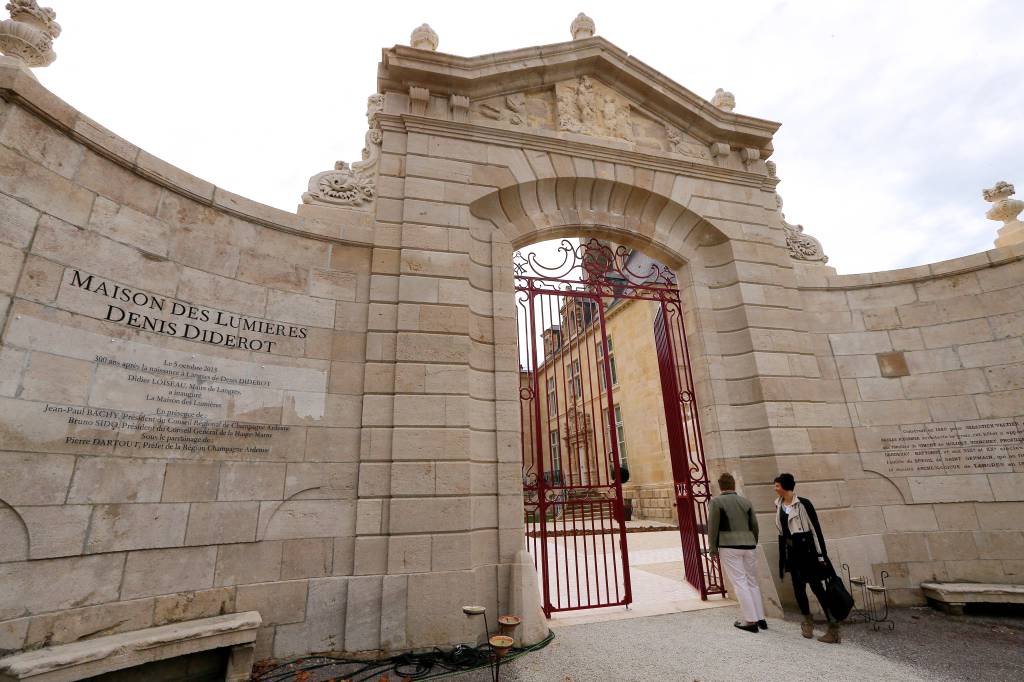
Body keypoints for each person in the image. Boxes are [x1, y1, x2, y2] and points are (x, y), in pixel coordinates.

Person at [773, 472, 840, 644]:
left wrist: (820, 555)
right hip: (792, 552)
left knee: (817, 587)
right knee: (798, 588)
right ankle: (807, 621)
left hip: (807, 551)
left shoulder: (803, 504)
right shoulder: (779, 505)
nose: (775, 488)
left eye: (777, 485)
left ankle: (833, 626)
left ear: (785, 487)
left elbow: (815, 531)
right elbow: (782, 532)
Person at [708, 472, 766, 633]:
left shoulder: (716, 502)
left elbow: (713, 527)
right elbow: (754, 525)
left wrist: (712, 548)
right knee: (752, 581)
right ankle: (761, 618)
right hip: (749, 544)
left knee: (740, 582)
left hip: (729, 545)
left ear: (720, 486)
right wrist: (753, 540)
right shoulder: (745, 501)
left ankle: (750, 621)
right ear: (733, 484)